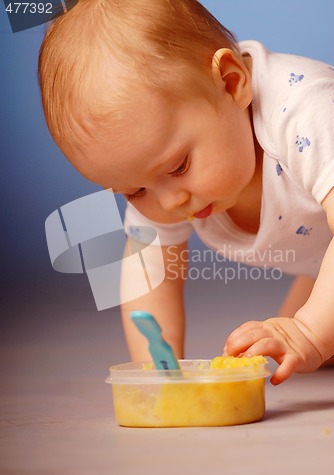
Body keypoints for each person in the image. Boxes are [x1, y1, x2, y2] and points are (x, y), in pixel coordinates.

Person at [38, 0, 334, 385]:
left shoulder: (305, 111)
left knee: (309, 337)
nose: (168, 202)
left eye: (179, 167)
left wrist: (310, 331)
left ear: (230, 83)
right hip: (321, 255)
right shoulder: (155, 171)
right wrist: (160, 374)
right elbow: (151, 271)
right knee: (294, 352)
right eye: (134, 192)